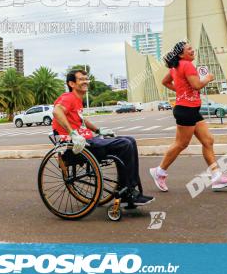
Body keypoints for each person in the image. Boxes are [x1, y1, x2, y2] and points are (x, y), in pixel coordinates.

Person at [53, 69, 153, 207]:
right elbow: (56, 111)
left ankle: (129, 189)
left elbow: (82, 120)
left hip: (88, 141)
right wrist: (72, 133)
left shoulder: (77, 100)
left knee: (130, 140)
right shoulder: (69, 97)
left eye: (86, 79)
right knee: (125, 144)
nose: (85, 81)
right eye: (81, 79)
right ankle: (127, 191)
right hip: (80, 145)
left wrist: (98, 130)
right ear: (72, 83)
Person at [150, 41, 227, 193]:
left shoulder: (176, 66)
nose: (192, 50)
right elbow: (197, 85)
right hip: (185, 110)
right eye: (188, 49)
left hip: (191, 109)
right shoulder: (186, 65)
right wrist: (208, 78)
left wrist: (180, 91)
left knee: (208, 141)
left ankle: (217, 177)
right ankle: (159, 172)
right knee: (181, 144)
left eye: (191, 48)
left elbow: (165, 82)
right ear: (181, 54)